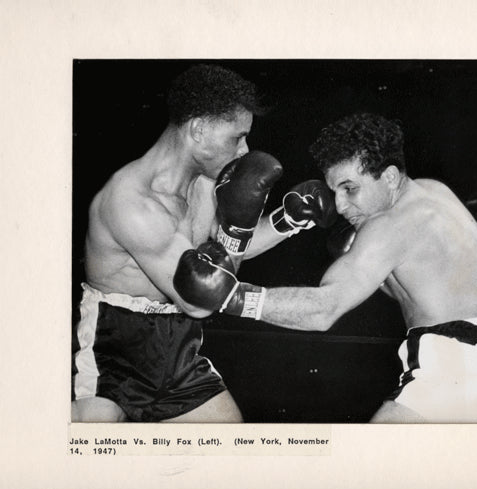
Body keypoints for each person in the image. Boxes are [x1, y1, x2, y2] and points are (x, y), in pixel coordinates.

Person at [178, 112, 477, 423]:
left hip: (453, 379)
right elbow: (421, 290)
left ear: (390, 176)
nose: (340, 205)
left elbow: (324, 310)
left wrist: (231, 298)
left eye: (350, 189)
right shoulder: (434, 193)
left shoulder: (388, 226)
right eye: (335, 191)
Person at [71, 64, 336, 423]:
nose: (245, 150)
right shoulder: (133, 203)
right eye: (236, 137)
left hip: (178, 342)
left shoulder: (204, 184)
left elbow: (220, 261)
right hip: (114, 347)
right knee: (91, 463)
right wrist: (237, 231)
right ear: (198, 129)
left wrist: (286, 221)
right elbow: (200, 297)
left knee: (231, 445)